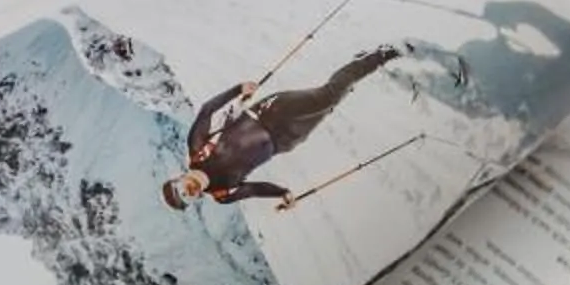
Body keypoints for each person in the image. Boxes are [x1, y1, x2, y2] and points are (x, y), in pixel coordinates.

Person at [162, 43, 407, 210]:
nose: (188, 192)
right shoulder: (222, 194)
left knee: (326, 97)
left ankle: (380, 55)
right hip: (284, 141)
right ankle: (352, 73)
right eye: (186, 198)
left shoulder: (196, 147)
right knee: (328, 106)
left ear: (179, 178)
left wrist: (238, 90)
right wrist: (283, 193)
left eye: (180, 189)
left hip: (268, 112)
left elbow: (207, 110)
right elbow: (254, 190)